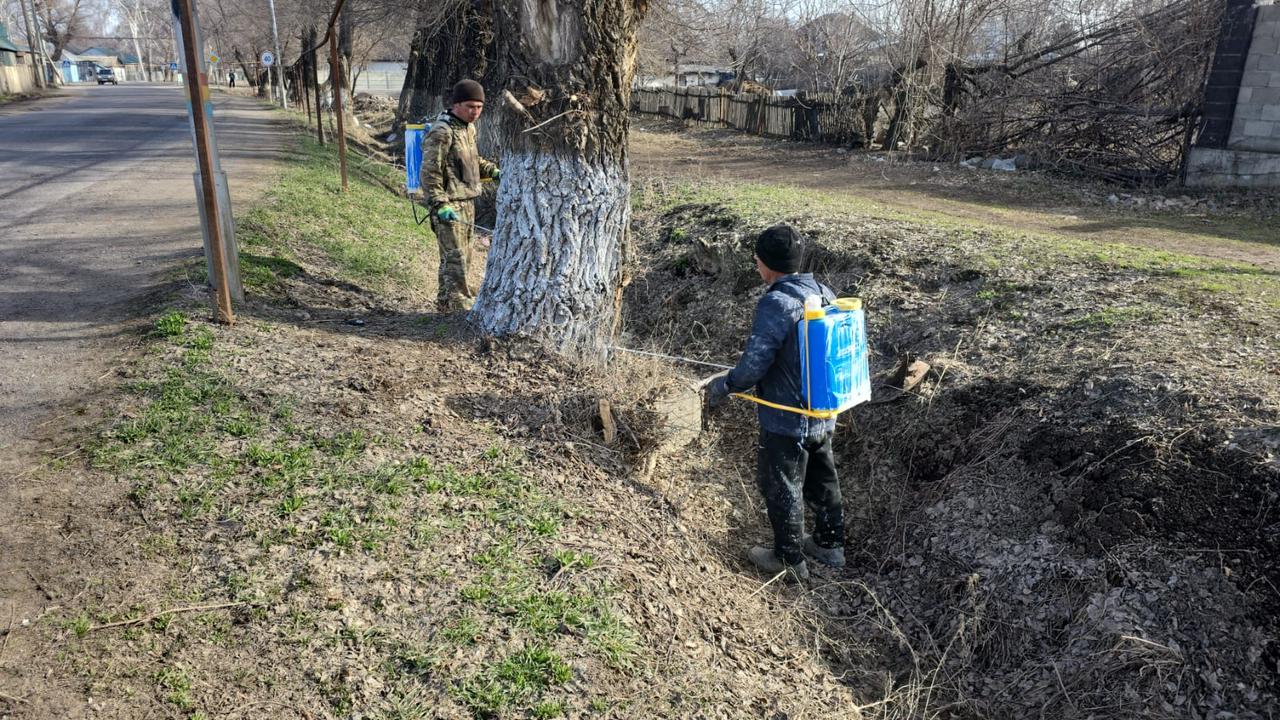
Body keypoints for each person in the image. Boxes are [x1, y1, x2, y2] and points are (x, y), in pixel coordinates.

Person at [706, 225, 846, 581]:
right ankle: (830, 545)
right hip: (822, 410)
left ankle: (788, 559)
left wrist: (724, 386)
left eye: (757, 260)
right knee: (822, 476)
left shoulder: (777, 303)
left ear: (767, 264)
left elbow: (754, 364)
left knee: (782, 483)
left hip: (787, 416)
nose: (756, 265)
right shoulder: (823, 291)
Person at [421, 79, 500, 312]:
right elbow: (430, 172)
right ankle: (460, 309)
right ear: (456, 104)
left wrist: (492, 171)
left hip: (467, 202)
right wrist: (439, 204)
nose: (475, 112)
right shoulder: (442, 131)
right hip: (449, 205)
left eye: (479, 107)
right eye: (470, 106)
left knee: (462, 257)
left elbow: (472, 159)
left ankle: (445, 305)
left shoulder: (467, 128)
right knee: (455, 261)